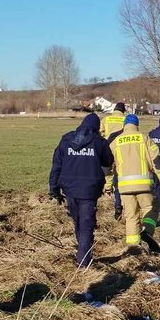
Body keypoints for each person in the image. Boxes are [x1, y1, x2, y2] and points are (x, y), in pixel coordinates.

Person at [50, 112, 114, 267]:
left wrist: (54, 188)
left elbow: (56, 165)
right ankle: (84, 262)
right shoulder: (99, 142)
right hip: (89, 191)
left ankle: (82, 252)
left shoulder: (66, 140)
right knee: (86, 225)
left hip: (69, 189)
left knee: (78, 222)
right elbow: (108, 161)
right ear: (96, 128)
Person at [113, 114, 160, 252]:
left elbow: (108, 164)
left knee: (131, 216)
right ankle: (147, 232)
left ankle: (134, 248)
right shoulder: (144, 138)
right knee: (151, 208)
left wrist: (107, 185)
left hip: (124, 187)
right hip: (144, 185)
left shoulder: (116, 141)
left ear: (124, 125)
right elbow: (157, 159)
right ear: (137, 125)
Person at [101, 102, 127, 219]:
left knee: (108, 169)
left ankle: (107, 189)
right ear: (123, 110)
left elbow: (100, 133)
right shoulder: (126, 119)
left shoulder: (106, 119)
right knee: (119, 171)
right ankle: (120, 196)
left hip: (108, 147)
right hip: (122, 148)